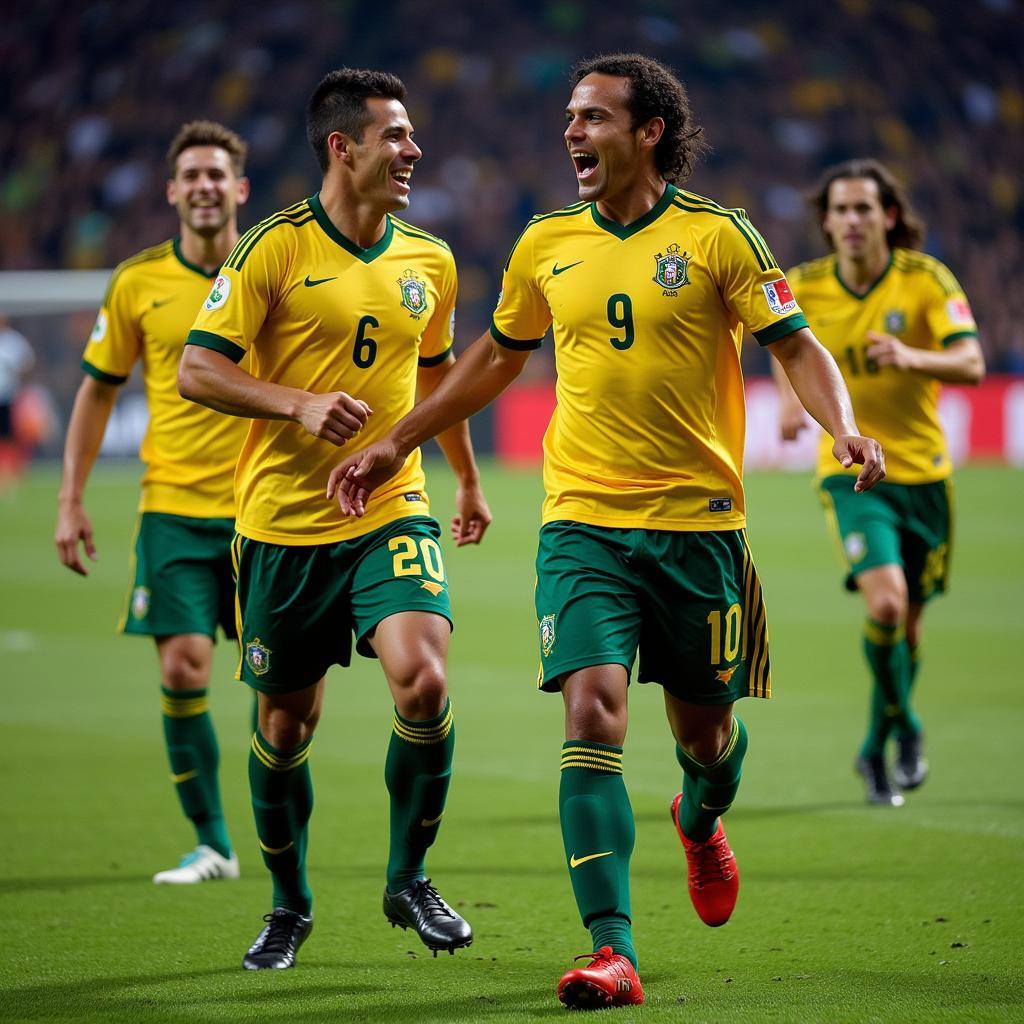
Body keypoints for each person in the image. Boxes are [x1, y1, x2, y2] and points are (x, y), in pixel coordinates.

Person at [327, 53, 885, 1009]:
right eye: (570, 118)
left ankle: (700, 822)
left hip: (699, 529)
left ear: (648, 131)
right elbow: (492, 363)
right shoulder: (546, 243)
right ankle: (612, 950)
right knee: (591, 714)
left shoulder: (719, 237)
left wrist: (842, 427)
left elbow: (796, 344)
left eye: (592, 119)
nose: (572, 134)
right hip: (583, 522)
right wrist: (395, 443)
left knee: (706, 741)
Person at [178, 68, 491, 971]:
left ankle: (409, 876)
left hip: (391, 510)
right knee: (285, 729)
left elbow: (436, 382)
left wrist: (464, 477)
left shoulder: (429, 260)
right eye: (395, 136)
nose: (413, 151)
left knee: (424, 682)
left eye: (412, 135)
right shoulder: (271, 248)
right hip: (281, 526)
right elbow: (199, 370)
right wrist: (297, 405)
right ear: (341, 147)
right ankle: (289, 906)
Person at [55, 121, 251, 884]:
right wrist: (70, 498)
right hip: (171, 506)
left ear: (238, 189)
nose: (204, 187)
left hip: (263, 509)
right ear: (173, 192)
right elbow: (96, 392)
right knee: (182, 668)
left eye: (217, 175)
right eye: (191, 176)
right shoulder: (137, 282)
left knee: (282, 692)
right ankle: (213, 843)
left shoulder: (268, 268)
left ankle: (277, 848)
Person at [774, 159, 984, 806]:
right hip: (852, 477)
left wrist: (913, 355)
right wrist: (787, 401)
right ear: (827, 222)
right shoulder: (804, 284)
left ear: (888, 216)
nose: (852, 221)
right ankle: (910, 728)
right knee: (887, 605)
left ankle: (874, 748)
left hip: (923, 476)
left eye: (864, 208)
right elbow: (786, 346)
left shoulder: (925, 280)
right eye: (840, 210)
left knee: (908, 629)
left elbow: (972, 362)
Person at [0, 316, 36, 491]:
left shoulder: (13, 342)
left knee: (10, 435)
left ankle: (12, 471)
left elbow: (27, 362)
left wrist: (19, 378)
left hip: (7, 396)